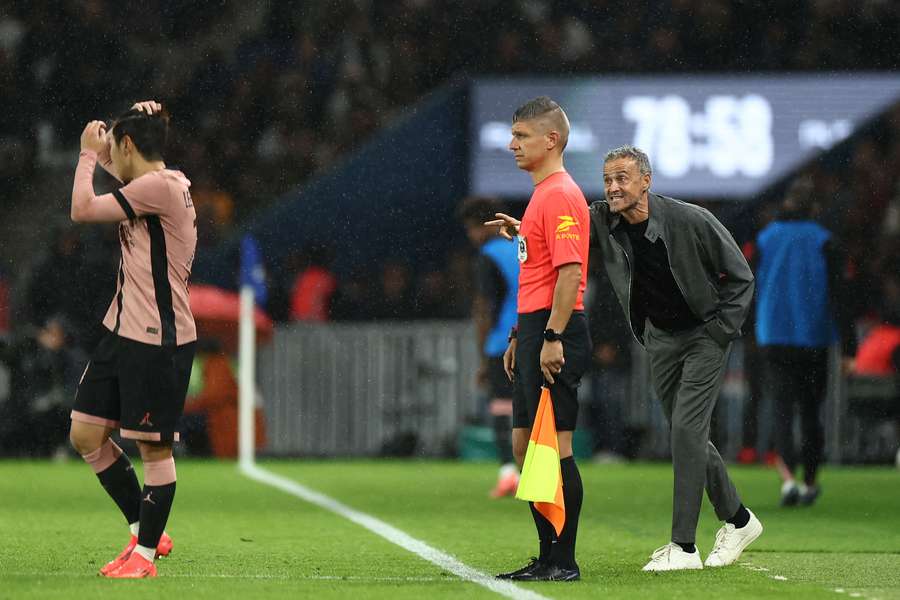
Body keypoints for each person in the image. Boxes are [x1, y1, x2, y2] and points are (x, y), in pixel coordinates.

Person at [489, 145, 762, 571]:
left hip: (704, 335)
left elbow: (741, 276)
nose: (613, 188)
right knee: (685, 434)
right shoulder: (603, 218)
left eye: (623, 179)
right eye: (608, 179)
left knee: (686, 430)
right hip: (662, 339)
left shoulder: (692, 219)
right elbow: (563, 234)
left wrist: (721, 331)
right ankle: (740, 519)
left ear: (646, 182)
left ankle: (683, 547)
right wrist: (526, 228)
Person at [67, 101, 197, 579]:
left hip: (156, 338)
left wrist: (85, 154)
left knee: (153, 449)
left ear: (128, 146)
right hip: (121, 330)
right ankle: (146, 530)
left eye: (115, 149)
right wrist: (119, 128)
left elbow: (82, 208)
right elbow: (120, 166)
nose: (109, 160)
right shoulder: (153, 186)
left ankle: (143, 558)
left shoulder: (162, 187)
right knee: (85, 433)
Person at [488, 96, 591, 582]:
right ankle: (547, 554)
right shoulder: (542, 197)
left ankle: (563, 561)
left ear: (551, 140)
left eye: (522, 136)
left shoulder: (560, 194)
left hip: (557, 330)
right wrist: (519, 335)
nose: (512, 145)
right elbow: (539, 272)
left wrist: (552, 335)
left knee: (556, 446)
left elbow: (570, 274)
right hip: (533, 329)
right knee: (524, 446)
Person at [755, 177, 855, 506]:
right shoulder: (825, 241)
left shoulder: (766, 238)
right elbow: (841, 296)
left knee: (781, 408)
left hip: (773, 333)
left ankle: (788, 481)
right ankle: (810, 482)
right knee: (811, 411)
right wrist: (849, 345)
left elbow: (748, 284)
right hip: (812, 335)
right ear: (815, 207)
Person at [457, 196, 521, 497]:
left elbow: (484, 309)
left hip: (503, 341)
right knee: (532, 408)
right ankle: (541, 473)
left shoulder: (487, 257)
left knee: (501, 406)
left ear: (479, 226)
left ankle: (509, 472)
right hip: (535, 334)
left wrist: (484, 359)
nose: (470, 237)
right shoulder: (523, 246)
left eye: (470, 229)